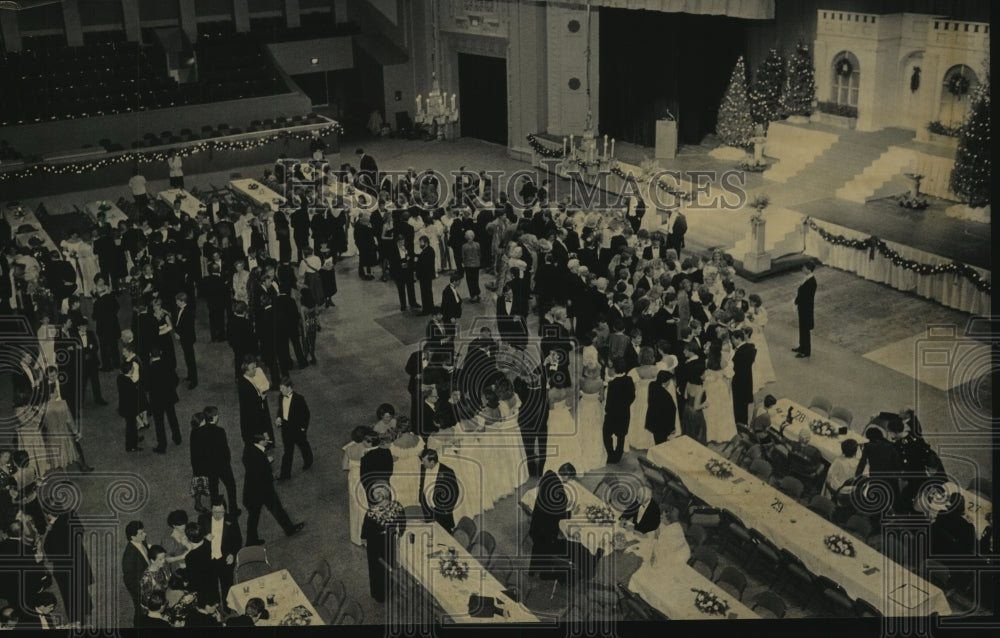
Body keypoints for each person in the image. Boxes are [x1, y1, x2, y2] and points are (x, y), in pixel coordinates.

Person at [242, 432, 305, 546]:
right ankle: (289, 529)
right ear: (260, 441)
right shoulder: (259, 456)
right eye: (266, 438)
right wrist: (267, 462)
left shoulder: (249, 448)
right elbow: (263, 474)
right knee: (277, 509)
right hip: (263, 490)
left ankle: (251, 540)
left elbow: (249, 463)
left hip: (251, 491)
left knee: (254, 517)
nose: (268, 439)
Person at [360, 481, 405, 603]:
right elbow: (402, 525)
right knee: (389, 565)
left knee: (376, 570)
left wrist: (364, 540)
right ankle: (390, 589)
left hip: (375, 546)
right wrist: (398, 535)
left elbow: (365, 533)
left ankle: (379, 595)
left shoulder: (371, 513)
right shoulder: (398, 506)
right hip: (390, 543)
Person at [529, 462, 575, 580]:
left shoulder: (549, 474)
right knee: (545, 551)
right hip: (546, 529)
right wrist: (571, 511)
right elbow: (559, 515)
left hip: (536, 521)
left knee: (536, 548)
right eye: (569, 479)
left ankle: (531, 571)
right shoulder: (560, 494)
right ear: (566, 476)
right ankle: (544, 574)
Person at [197, 495, 243, 608]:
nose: (217, 515)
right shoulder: (202, 519)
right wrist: (204, 536)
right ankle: (216, 606)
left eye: (220, 512)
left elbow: (238, 540)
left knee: (227, 584)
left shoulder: (231, 520)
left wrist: (233, 554)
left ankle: (228, 606)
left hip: (225, 559)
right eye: (215, 511)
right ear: (211, 509)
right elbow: (195, 535)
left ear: (225, 510)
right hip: (209, 559)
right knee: (211, 585)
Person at [275, 377, 314, 480]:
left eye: (282, 388)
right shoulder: (281, 397)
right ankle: (285, 475)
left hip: (297, 429)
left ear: (289, 388)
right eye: (280, 388)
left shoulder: (299, 399)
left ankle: (308, 461)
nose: (280, 390)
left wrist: (303, 428)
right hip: (286, 429)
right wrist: (279, 418)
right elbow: (281, 410)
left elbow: (306, 414)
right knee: (287, 452)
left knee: (303, 445)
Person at [343, 426, 374, 545]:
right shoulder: (367, 449)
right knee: (366, 506)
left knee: (356, 506)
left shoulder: (349, 448)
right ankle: (368, 537)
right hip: (365, 477)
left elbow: (344, 466)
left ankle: (357, 537)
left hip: (354, 478)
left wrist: (354, 466)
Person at [147, 347, 181, 453]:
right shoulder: (167, 365)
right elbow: (176, 380)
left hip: (156, 399)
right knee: (172, 417)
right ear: (160, 353)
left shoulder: (149, 369)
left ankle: (162, 445)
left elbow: (146, 386)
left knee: (159, 422)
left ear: (150, 355)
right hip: (168, 396)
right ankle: (177, 438)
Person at [418, 448, 458, 533]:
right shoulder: (423, 468)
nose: (422, 463)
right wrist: (421, 499)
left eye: (424, 461)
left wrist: (447, 509)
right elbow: (422, 485)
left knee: (444, 535)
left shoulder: (447, 472)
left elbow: (455, 492)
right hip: (427, 509)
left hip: (441, 511)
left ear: (432, 462)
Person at [603, 360, 635, 464]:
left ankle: (611, 454)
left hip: (612, 415)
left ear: (615, 369)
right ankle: (618, 455)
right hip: (625, 413)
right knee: (621, 436)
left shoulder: (612, 384)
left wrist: (607, 411)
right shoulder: (629, 380)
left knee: (606, 434)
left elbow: (609, 402)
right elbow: (632, 397)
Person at [238, 357, 272, 444]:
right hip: (252, 416)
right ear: (246, 371)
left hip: (254, 412)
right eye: (252, 368)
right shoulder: (245, 385)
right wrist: (261, 398)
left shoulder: (246, 379)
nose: (255, 370)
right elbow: (251, 403)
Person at [121, 520, 150, 625]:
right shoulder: (129, 555)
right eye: (141, 533)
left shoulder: (141, 542)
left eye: (143, 531)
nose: (145, 534)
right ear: (133, 537)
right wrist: (140, 592)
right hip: (140, 589)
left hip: (147, 582)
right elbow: (128, 579)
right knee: (140, 611)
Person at [117, 358, 147, 452]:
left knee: (131, 425)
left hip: (124, 407)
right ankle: (131, 446)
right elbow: (134, 392)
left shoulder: (120, 378)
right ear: (130, 371)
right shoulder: (129, 383)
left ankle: (134, 439)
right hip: (130, 409)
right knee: (131, 427)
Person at [645, 369, 678, 445]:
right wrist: (672, 428)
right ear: (666, 382)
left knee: (657, 440)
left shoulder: (652, 385)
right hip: (663, 425)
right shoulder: (667, 396)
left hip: (653, 420)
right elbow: (672, 412)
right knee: (662, 443)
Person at [388, 235, 418, 312]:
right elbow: (392, 262)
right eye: (401, 241)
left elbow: (411, 255)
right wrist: (400, 264)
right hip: (399, 271)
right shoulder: (393, 250)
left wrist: (409, 259)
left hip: (408, 270)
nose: (403, 243)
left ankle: (413, 303)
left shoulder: (406, 247)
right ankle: (403, 305)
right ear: (397, 242)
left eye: (403, 241)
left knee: (411, 287)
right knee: (401, 289)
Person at [174, 292, 198, 389]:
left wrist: (178, 334)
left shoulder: (188, 312)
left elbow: (187, 327)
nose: (176, 302)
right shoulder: (183, 309)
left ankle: (194, 381)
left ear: (182, 301)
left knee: (190, 359)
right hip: (185, 338)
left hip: (186, 338)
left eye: (177, 301)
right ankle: (190, 375)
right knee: (187, 358)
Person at [793, 262, 817, 358]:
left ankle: (806, 351)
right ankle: (802, 346)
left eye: (804, 267)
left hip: (806, 309)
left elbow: (805, 296)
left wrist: (797, 301)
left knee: (805, 329)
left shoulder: (811, 282)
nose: (802, 269)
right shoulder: (807, 278)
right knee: (802, 328)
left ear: (808, 269)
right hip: (803, 308)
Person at [416, 236, 437, 313]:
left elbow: (423, 264)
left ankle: (426, 309)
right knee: (428, 292)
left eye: (421, 242)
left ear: (426, 243)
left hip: (425, 276)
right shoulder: (429, 250)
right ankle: (430, 307)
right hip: (427, 275)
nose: (419, 244)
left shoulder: (426, 252)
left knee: (425, 292)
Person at [461, 230, 481, 302]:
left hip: (468, 265)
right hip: (476, 264)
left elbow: (463, 257)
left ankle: (473, 296)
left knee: (470, 281)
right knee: (476, 280)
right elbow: (479, 254)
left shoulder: (464, 246)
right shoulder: (477, 244)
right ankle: (477, 294)